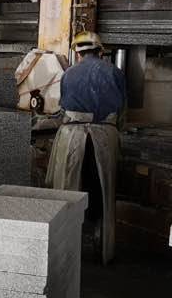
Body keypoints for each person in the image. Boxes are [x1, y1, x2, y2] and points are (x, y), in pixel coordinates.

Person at [45, 32, 126, 264]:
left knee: (67, 193)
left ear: (78, 53)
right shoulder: (115, 72)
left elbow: (62, 108)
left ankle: (66, 251)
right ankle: (104, 250)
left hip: (72, 136)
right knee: (105, 193)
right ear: (101, 52)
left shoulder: (69, 74)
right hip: (105, 136)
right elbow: (122, 111)